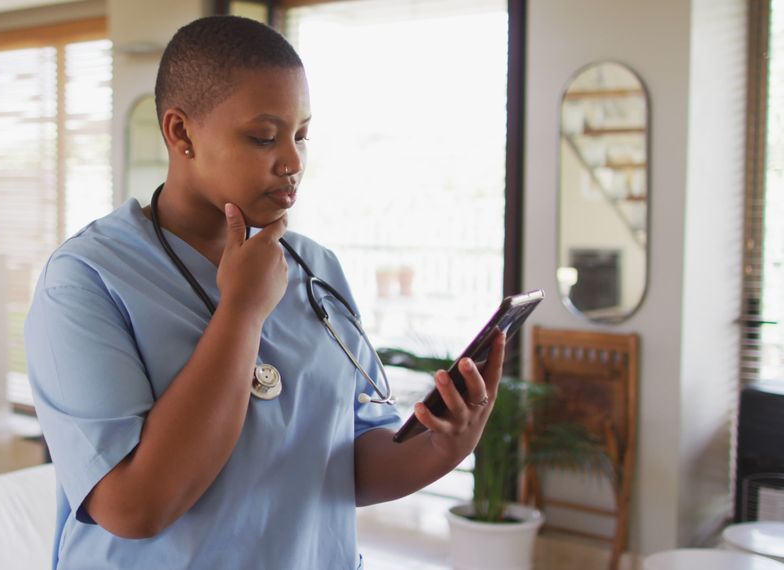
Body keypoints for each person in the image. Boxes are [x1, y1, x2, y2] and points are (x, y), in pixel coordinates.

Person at [25, 15, 506, 569]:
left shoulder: (315, 268)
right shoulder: (86, 279)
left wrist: (447, 445)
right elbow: (134, 508)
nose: (294, 162)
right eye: (263, 136)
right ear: (180, 133)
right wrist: (242, 312)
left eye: (301, 134)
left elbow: (347, 466)